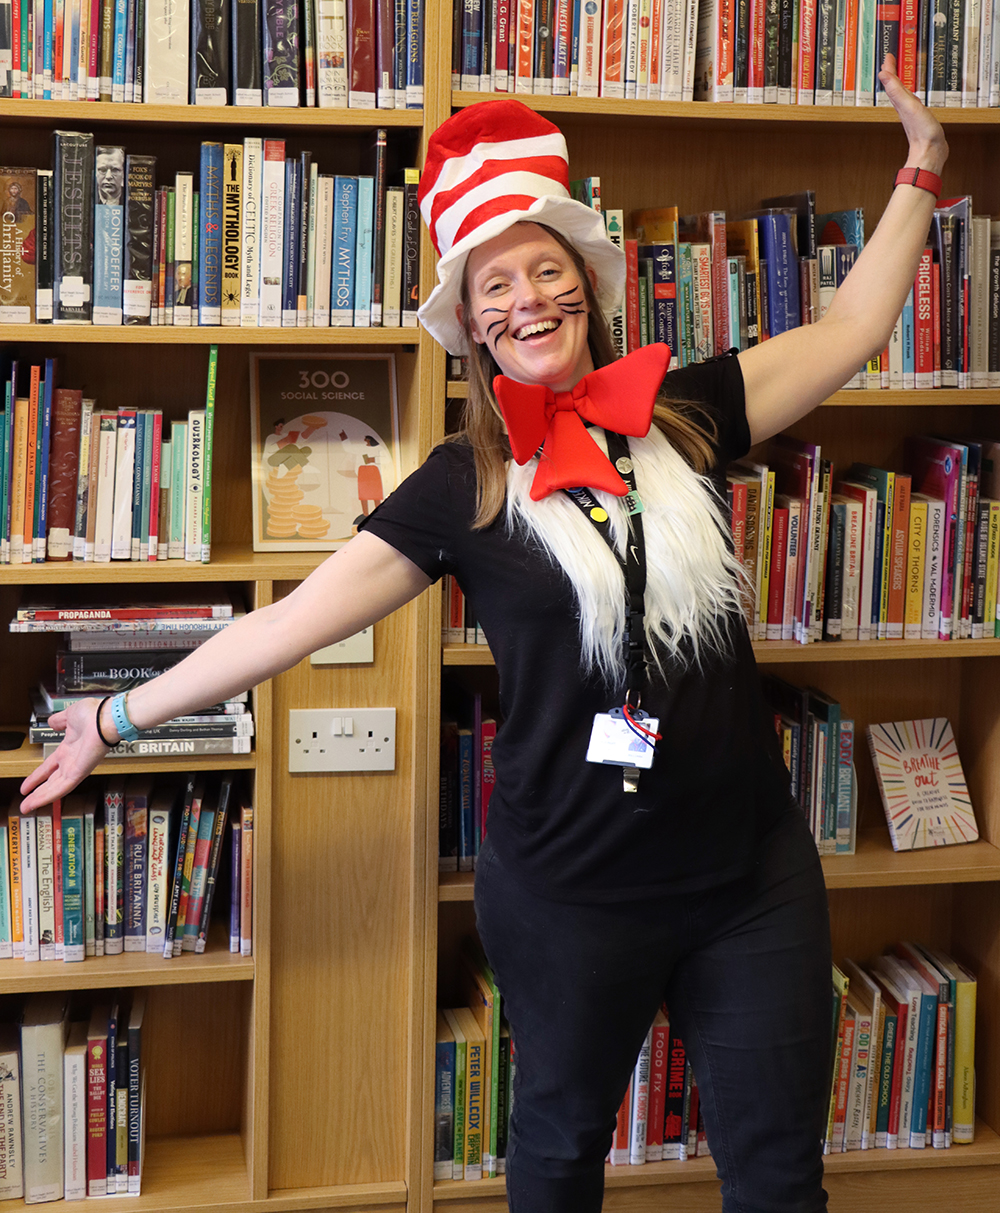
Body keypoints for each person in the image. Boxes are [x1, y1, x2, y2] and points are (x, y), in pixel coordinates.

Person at [20, 58, 947, 1213]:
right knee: (557, 1151)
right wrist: (113, 717)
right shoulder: (460, 487)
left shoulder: (691, 408)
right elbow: (288, 625)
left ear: (587, 287)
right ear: (469, 323)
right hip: (570, 893)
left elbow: (854, 323)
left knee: (777, 1175)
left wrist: (921, 169)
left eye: (546, 270)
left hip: (750, 875)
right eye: (493, 284)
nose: (526, 300)